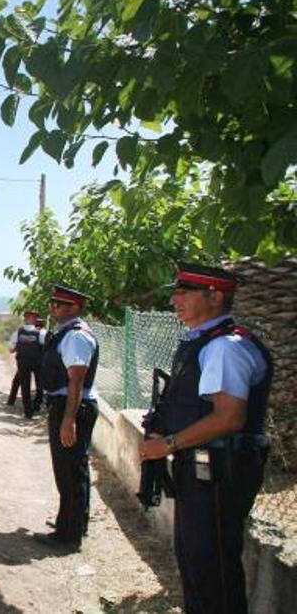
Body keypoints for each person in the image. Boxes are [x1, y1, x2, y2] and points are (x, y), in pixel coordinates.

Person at [138, 262, 272, 613]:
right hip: (203, 469)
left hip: (220, 471)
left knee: (212, 568)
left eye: (184, 292)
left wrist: (166, 444)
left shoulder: (225, 347)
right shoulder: (203, 342)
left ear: (214, 296)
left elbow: (228, 417)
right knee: (195, 561)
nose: (174, 299)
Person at [33, 284, 99, 552]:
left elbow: (77, 380)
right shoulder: (66, 334)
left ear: (74, 308)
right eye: (53, 303)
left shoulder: (76, 337)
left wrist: (68, 419)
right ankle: (73, 522)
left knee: (69, 471)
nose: (53, 308)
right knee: (74, 468)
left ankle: (68, 536)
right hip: (68, 405)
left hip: (72, 407)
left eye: (59, 304)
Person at [7, 311, 46, 418]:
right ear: (35, 319)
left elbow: (11, 350)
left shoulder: (17, 332)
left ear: (25, 319)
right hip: (38, 363)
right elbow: (47, 348)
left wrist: (19, 347)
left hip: (23, 363)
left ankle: (28, 413)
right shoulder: (42, 333)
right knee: (40, 385)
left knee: (25, 387)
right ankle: (37, 406)